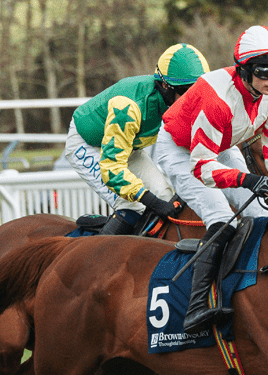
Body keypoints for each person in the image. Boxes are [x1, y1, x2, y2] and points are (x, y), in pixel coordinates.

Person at [153, 25, 268, 334]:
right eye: (266, 71)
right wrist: (246, 181)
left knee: (262, 215)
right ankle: (196, 306)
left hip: (221, 144)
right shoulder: (218, 99)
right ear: (245, 70)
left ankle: (254, 291)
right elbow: (203, 168)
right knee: (223, 220)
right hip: (182, 150)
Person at [65, 44, 209, 235]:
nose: (192, 101)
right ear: (165, 86)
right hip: (88, 144)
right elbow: (112, 169)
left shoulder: (173, 99)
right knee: (133, 205)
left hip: (127, 144)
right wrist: (149, 200)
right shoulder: (130, 107)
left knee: (165, 196)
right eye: (187, 92)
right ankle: (98, 257)